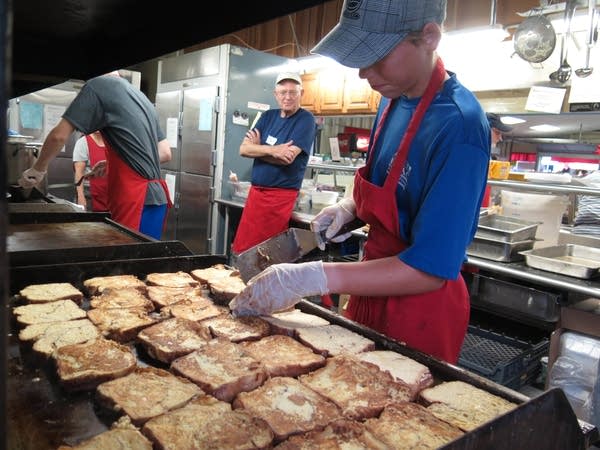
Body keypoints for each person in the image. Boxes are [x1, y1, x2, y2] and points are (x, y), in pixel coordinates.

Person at [229, 0, 491, 364]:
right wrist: (348, 209)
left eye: (377, 56)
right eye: (359, 59)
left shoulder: (460, 126)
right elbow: (390, 186)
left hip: (419, 311)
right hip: (370, 290)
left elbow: (430, 270)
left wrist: (315, 277)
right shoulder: (391, 99)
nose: (364, 73)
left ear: (428, 37)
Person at [18, 71, 172, 240]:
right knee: (147, 261)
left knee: (127, 260)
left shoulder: (98, 86)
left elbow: (58, 136)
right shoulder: (140, 97)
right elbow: (165, 153)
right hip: (157, 200)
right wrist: (113, 163)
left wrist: (37, 170)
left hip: (135, 198)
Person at [230, 72, 316, 254]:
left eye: (293, 92)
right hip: (255, 195)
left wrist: (258, 149)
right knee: (245, 251)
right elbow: (243, 150)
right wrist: (273, 150)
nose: (287, 97)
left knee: (267, 256)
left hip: (279, 198)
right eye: (283, 92)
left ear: (302, 93)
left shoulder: (306, 120)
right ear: (275, 94)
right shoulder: (268, 116)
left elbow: (287, 159)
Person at [73, 131, 109, 212]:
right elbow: (79, 173)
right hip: (89, 195)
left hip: (109, 195)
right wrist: (81, 197)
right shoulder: (83, 142)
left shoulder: (112, 142)